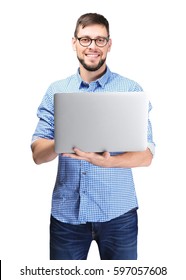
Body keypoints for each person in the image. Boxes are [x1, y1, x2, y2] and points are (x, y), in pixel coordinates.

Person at [31, 13, 155, 260]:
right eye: (85, 39)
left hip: (118, 215)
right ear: (74, 42)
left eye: (100, 40)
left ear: (109, 44)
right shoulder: (57, 91)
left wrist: (107, 162)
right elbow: (37, 153)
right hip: (67, 217)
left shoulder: (130, 90)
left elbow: (146, 155)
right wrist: (63, 140)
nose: (92, 47)